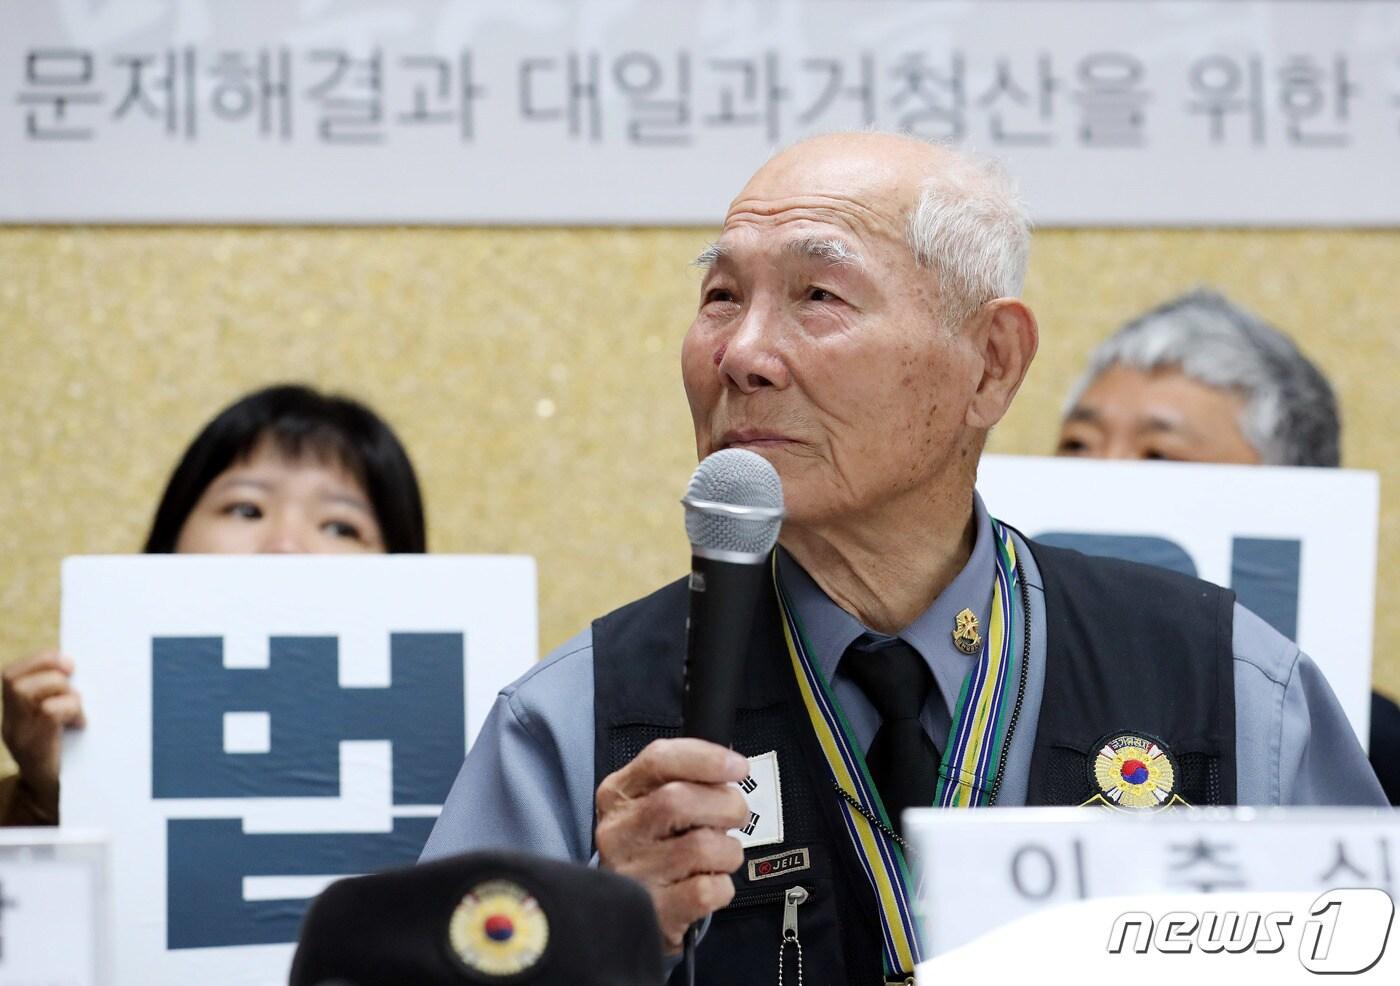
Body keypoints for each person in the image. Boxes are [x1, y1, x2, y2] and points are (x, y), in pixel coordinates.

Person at [422, 133, 1385, 985]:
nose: (742, 354)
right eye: (721, 297)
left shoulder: (1224, 681)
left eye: (818, 296)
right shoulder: (579, 718)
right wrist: (599, 938)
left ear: (992, 363)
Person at [1, 383, 426, 825]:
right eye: (246, 509)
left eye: (340, 527)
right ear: (169, 541)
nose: (285, 546)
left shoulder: (454, 753)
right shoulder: (83, 720)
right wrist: (51, 793)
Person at [1056, 288, 1400, 804]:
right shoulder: (981, 695)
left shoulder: (1364, 746)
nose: (1097, 476)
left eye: (1158, 455)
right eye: (1077, 443)